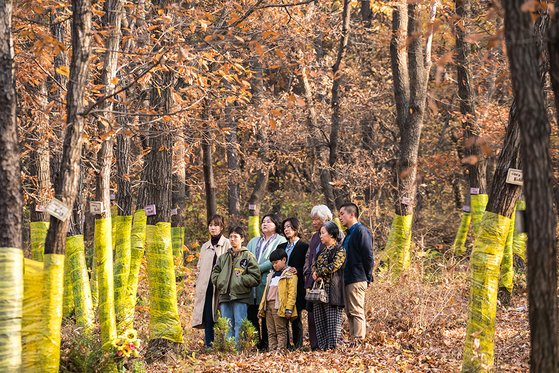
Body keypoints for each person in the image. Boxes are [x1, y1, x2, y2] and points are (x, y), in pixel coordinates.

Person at [211, 226, 260, 345]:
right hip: (225, 295)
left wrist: (241, 280)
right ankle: (229, 349)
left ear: (242, 239)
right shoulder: (223, 257)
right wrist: (220, 282)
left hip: (241, 295)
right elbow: (215, 273)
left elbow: (255, 276)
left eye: (236, 237)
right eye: (231, 237)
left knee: (239, 323)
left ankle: (239, 349)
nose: (233, 239)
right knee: (227, 324)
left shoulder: (248, 256)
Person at [247, 213, 287, 350]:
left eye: (269, 222)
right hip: (251, 283)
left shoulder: (281, 240)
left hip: (269, 282)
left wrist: (256, 269)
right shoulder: (253, 241)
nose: (265, 223)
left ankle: (267, 344)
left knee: (266, 314)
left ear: (276, 225)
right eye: (263, 221)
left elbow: (276, 260)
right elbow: (247, 258)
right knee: (252, 313)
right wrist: (251, 270)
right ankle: (255, 343)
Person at [192, 214, 231, 348]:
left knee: (221, 316)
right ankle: (210, 345)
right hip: (206, 287)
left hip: (221, 287)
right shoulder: (205, 246)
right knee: (208, 317)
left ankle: (224, 344)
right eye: (210, 225)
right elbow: (199, 266)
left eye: (216, 225)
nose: (213, 228)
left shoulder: (227, 243)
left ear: (221, 227)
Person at [338, 202, 374, 345]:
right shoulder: (348, 235)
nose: (340, 217)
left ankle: (359, 341)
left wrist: (368, 277)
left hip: (357, 277)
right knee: (349, 312)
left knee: (356, 311)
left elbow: (368, 256)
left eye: (342, 214)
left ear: (352, 214)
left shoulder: (361, 231)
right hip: (347, 278)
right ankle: (354, 340)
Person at [311, 221, 346, 350]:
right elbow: (314, 263)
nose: (320, 236)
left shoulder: (340, 249)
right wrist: (314, 271)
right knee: (319, 320)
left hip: (333, 289)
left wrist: (319, 272)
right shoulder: (322, 251)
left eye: (323, 233)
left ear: (331, 234)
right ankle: (322, 346)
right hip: (319, 290)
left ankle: (332, 347)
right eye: (320, 233)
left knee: (332, 320)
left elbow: (335, 266)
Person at [303, 205, 333, 350]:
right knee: (312, 313)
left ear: (326, 219)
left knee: (326, 313)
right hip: (311, 280)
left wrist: (321, 273)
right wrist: (307, 273)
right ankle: (315, 345)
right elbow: (309, 256)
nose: (314, 222)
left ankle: (326, 344)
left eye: (317, 219)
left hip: (327, 280)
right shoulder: (314, 236)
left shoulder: (335, 234)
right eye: (313, 219)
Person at [277, 217, 308, 349]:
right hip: (282, 285)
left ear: (296, 228)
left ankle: (298, 345)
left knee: (296, 317)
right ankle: (285, 345)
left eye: (289, 226)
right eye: (284, 227)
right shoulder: (281, 246)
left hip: (297, 285)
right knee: (282, 317)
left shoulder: (304, 246)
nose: (286, 229)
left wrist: (298, 270)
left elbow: (308, 266)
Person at [258, 248, 298, 351]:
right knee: (270, 330)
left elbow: (292, 293)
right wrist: (262, 307)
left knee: (280, 329)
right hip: (268, 305)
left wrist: (289, 308)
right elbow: (265, 293)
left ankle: (281, 350)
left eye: (276, 262)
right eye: (273, 263)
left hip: (279, 305)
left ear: (284, 260)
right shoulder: (270, 275)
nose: (275, 265)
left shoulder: (290, 274)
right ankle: (272, 350)